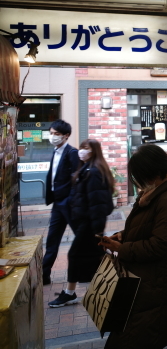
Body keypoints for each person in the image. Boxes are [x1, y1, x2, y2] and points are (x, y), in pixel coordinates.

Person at [99, 144, 167, 349]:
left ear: (152, 173)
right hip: (141, 281)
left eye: (139, 175)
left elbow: (160, 245)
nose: (137, 181)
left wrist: (121, 248)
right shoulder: (150, 195)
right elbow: (146, 229)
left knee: (136, 339)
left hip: (153, 284)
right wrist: (122, 236)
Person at [49, 139, 115, 308]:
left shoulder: (93, 172)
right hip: (85, 223)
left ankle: (70, 293)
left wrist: (97, 230)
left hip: (90, 224)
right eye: (81, 148)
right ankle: (112, 288)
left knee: (75, 255)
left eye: (86, 148)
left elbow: (99, 203)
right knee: (93, 258)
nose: (81, 151)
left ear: (94, 151)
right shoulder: (86, 169)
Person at [42, 119, 80, 285]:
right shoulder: (55, 152)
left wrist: (70, 199)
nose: (53, 137)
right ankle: (44, 275)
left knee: (81, 238)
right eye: (51, 133)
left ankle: (93, 270)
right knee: (52, 239)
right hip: (58, 204)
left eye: (56, 134)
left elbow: (77, 179)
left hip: (69, 204)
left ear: (66, 136)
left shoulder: (72, 153)